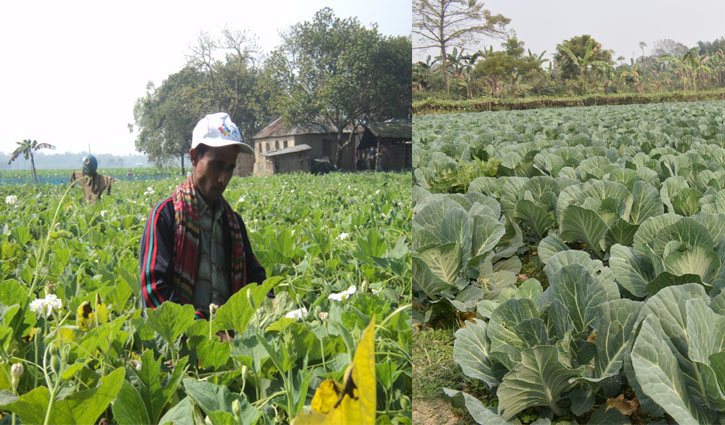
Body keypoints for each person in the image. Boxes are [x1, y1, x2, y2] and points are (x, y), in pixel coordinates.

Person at [139, 112, 266, 325]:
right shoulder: (166, 216)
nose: (223, 178)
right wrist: (202, 327)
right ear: (195, 157)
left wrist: (271, 302)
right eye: (216, 165)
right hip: (179, 347)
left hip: (230, 341)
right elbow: (154, 291)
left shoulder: (233, 223)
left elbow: (255, 280)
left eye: (230, 168)